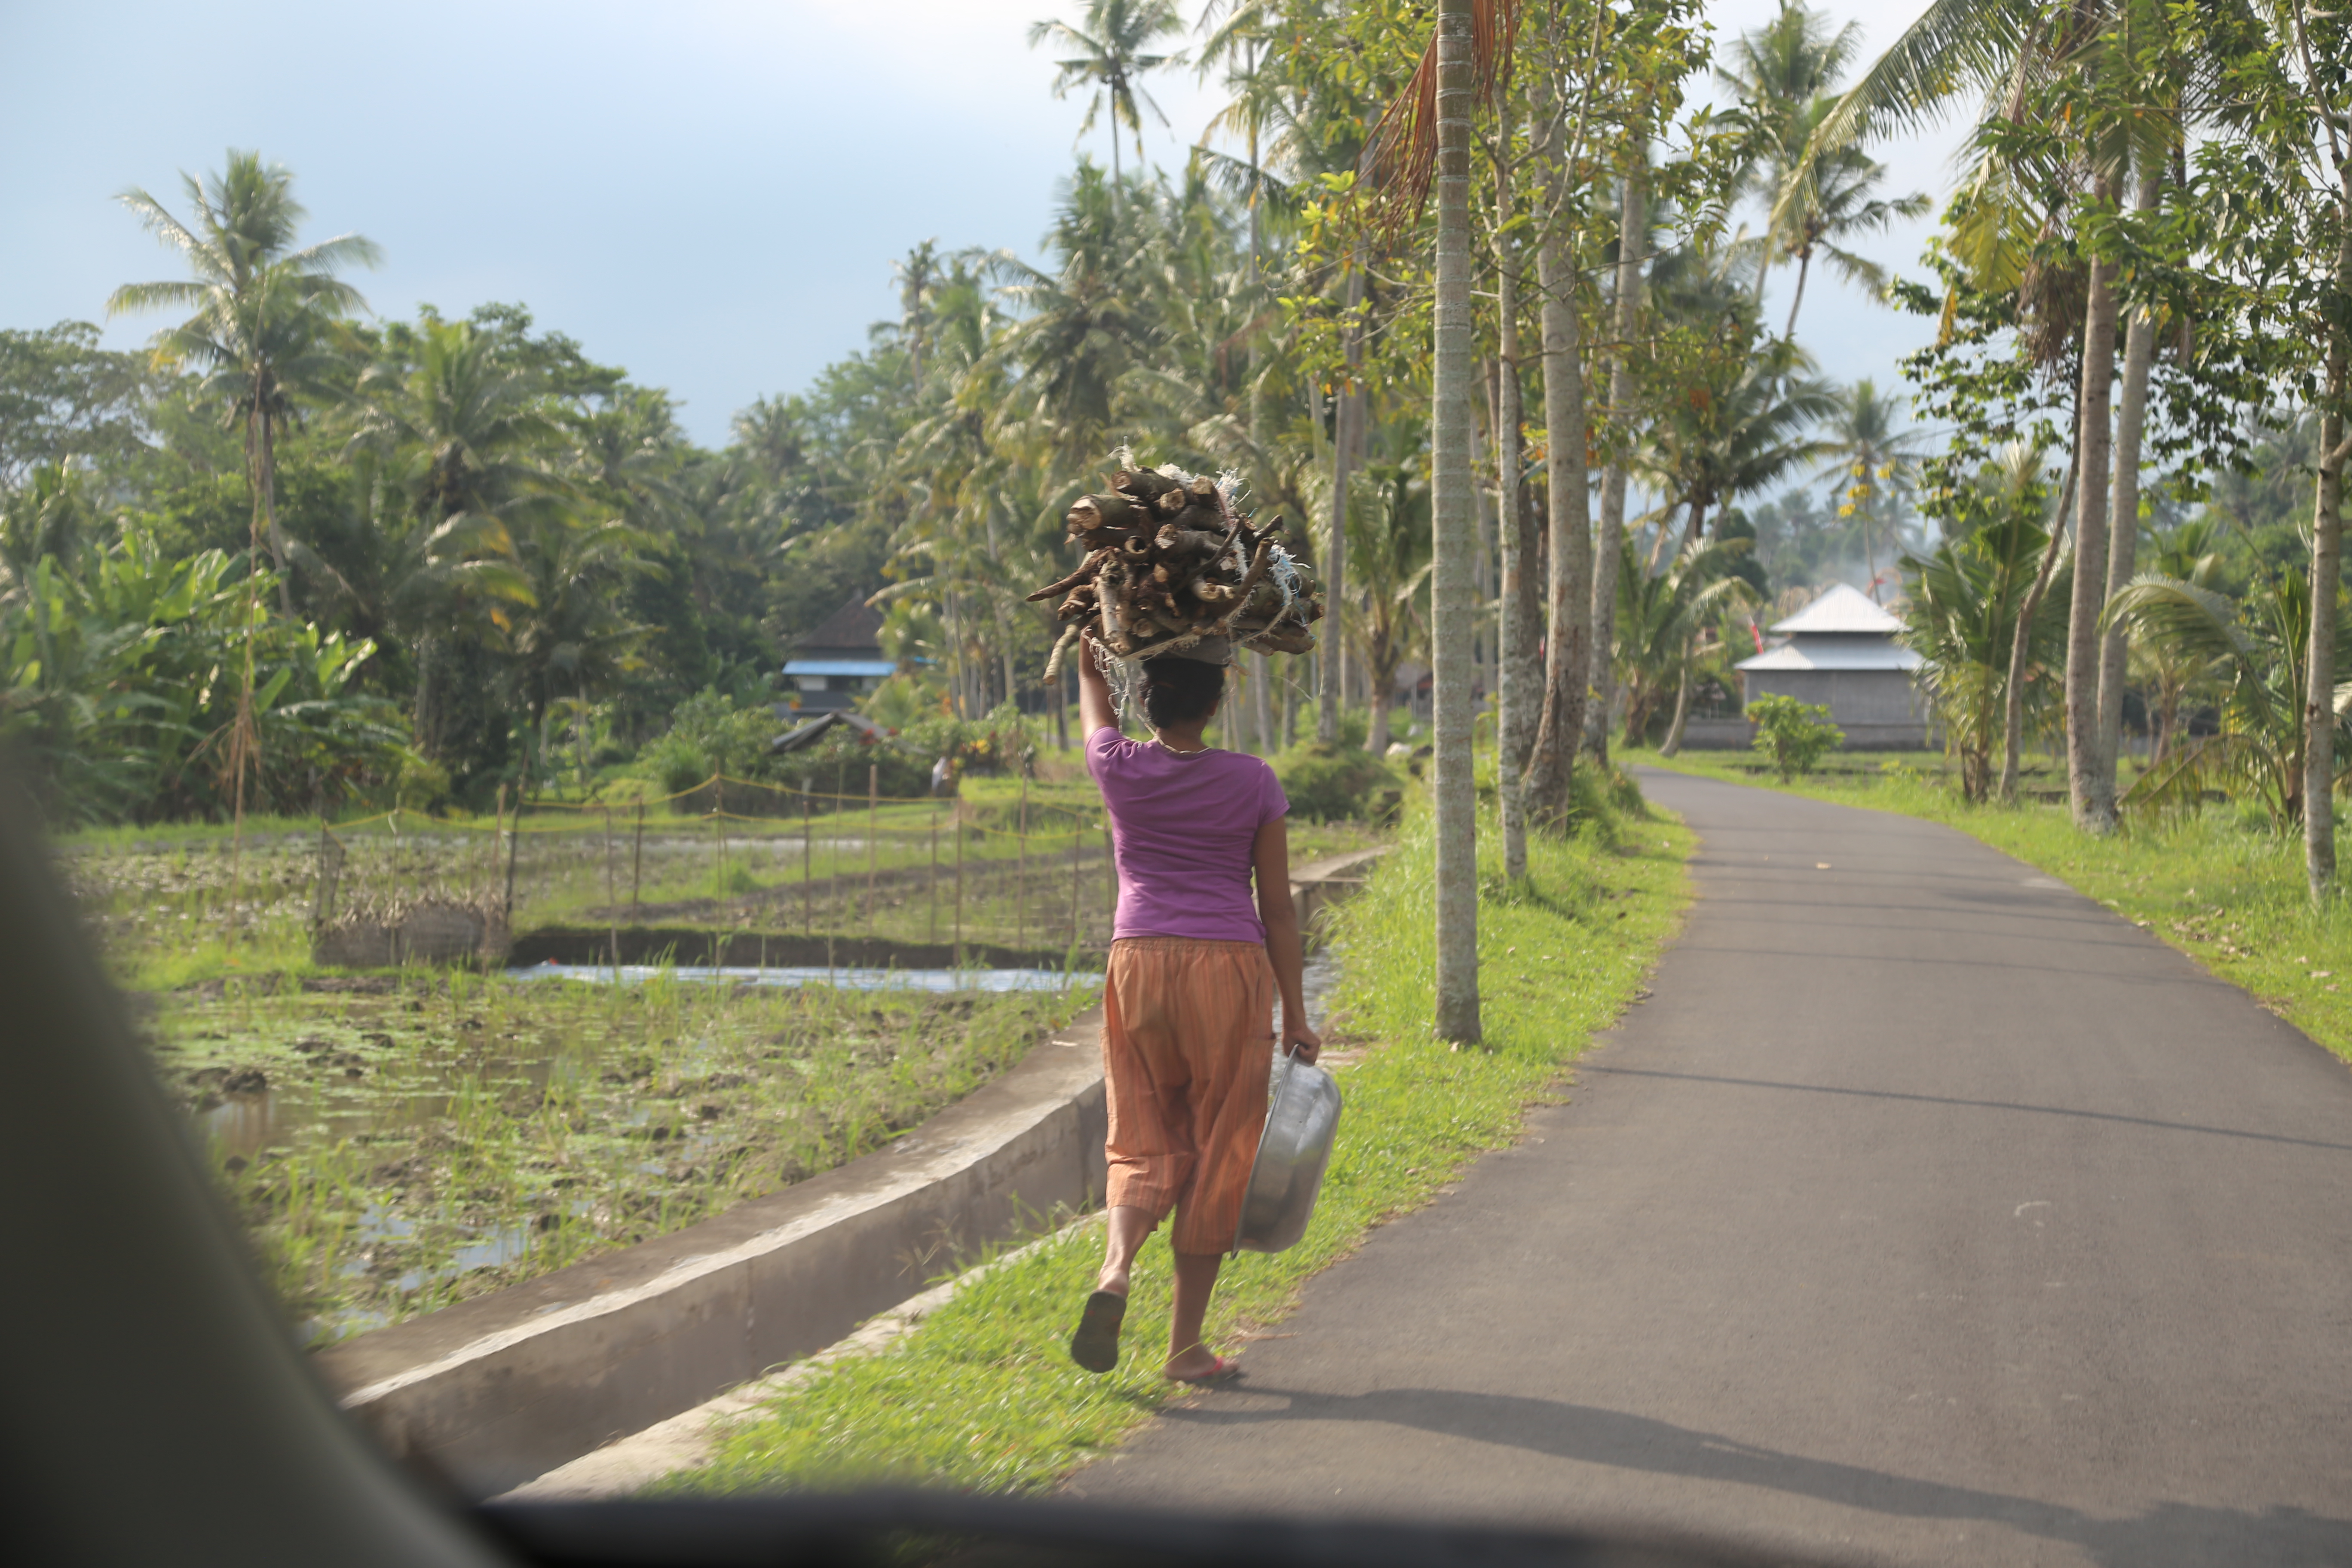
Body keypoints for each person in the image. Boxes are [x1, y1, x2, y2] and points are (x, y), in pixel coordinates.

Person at [1066, 627, 1320, 1383]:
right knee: (1221, 1148)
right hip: (1229, 968)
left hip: (1138, 961)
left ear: (1146, 697)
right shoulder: (1254, 782)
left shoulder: (1117, 767)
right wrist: (1297, 1017)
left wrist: (1091, 656)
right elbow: (1278, 910)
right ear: (1213, 705)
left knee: (1141, 1133)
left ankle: (1115, 1269)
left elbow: (1092, 706)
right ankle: (1183, 1348)